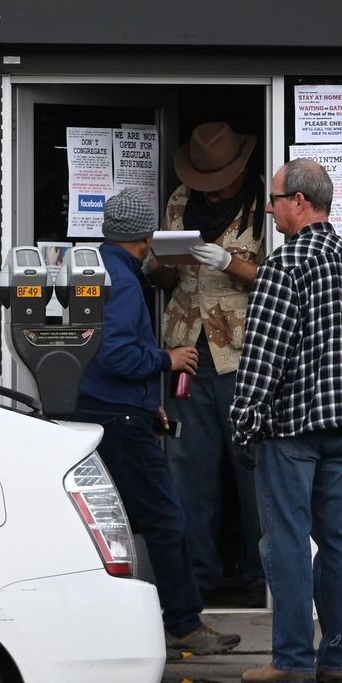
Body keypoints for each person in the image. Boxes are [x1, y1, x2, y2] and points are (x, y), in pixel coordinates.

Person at [66, 187, 240, 656]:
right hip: (120, 417)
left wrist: (149, 402)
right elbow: (117, 353)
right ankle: (183, 622)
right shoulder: (123, 282)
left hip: (106, 408)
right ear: (145, 237)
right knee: (165, 518)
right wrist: (167, 359)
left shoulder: (95, 267)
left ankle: (108, 619)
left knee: (109, 522)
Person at [229, 158, 342, 683]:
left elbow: (263, 358)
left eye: (273, 199)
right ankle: (337, 658)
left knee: (287, 541)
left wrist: (243, 421)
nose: (268, 209)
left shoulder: (284, 265)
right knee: (339, 542)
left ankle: (292, 659)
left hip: (290, 428)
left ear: (298, 201)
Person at [154, 121, 266, 605]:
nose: (211, 189)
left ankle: (266, 579)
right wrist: (162, 261)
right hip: (187, 351)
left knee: (255, 470)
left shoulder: (265, 205)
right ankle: (195, 582)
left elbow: (279, 281)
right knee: (188, 470)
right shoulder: (181, 199)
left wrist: (228, 262)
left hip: (243, 354)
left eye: (219, 177)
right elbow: (161, 278)